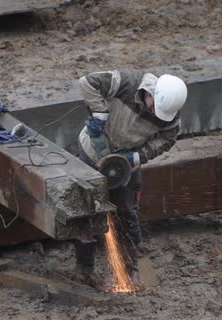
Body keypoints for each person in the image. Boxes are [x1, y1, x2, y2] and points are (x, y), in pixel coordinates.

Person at [75, 69, 188, 282]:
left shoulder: (170, 113)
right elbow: (87, 82)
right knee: (85, 211)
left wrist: (136, 157)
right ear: (150, 93)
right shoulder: (127, 83)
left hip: (126, 164)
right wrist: (99, 113)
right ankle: (84, 270)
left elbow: (167, 139)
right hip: (92, 153)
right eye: (154, 107)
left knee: (127, 212)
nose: (156, 113)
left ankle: (130, 267)